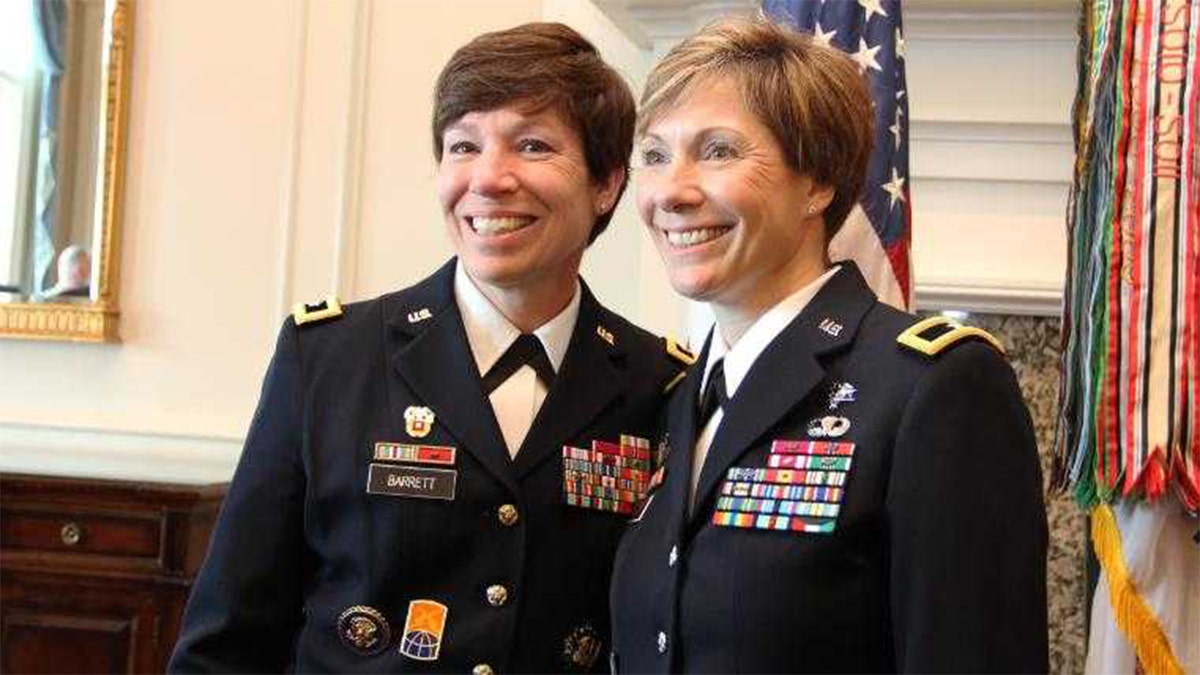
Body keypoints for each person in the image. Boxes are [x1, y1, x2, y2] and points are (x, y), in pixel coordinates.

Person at [169, 23, 689, 674]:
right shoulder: (329, 357)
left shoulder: (660, 381)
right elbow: (228, 637)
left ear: (607, 182)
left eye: (531, 145)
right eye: (462, 145)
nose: (489, 178)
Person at [609, 17, 1048, 674]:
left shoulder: (931, 387)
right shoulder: (678, 395)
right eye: (654, 154)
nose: (672, 191)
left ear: (816, 182)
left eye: (720, 150)